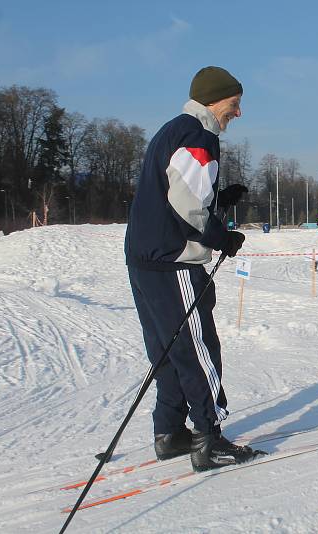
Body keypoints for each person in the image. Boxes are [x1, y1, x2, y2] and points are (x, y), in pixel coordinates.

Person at [124, 66, 263, 472]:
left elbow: (177, 192)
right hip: (175, 261)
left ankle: (169, 433)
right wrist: (223, 237)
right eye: (234, 105)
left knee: (166, 349)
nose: (237, 113)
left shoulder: (174, 130)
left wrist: (221, 199)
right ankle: (209, 437)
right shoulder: (199, 136)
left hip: (146, 258)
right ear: (213, 100)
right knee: (197, 348)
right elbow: (187, 208)